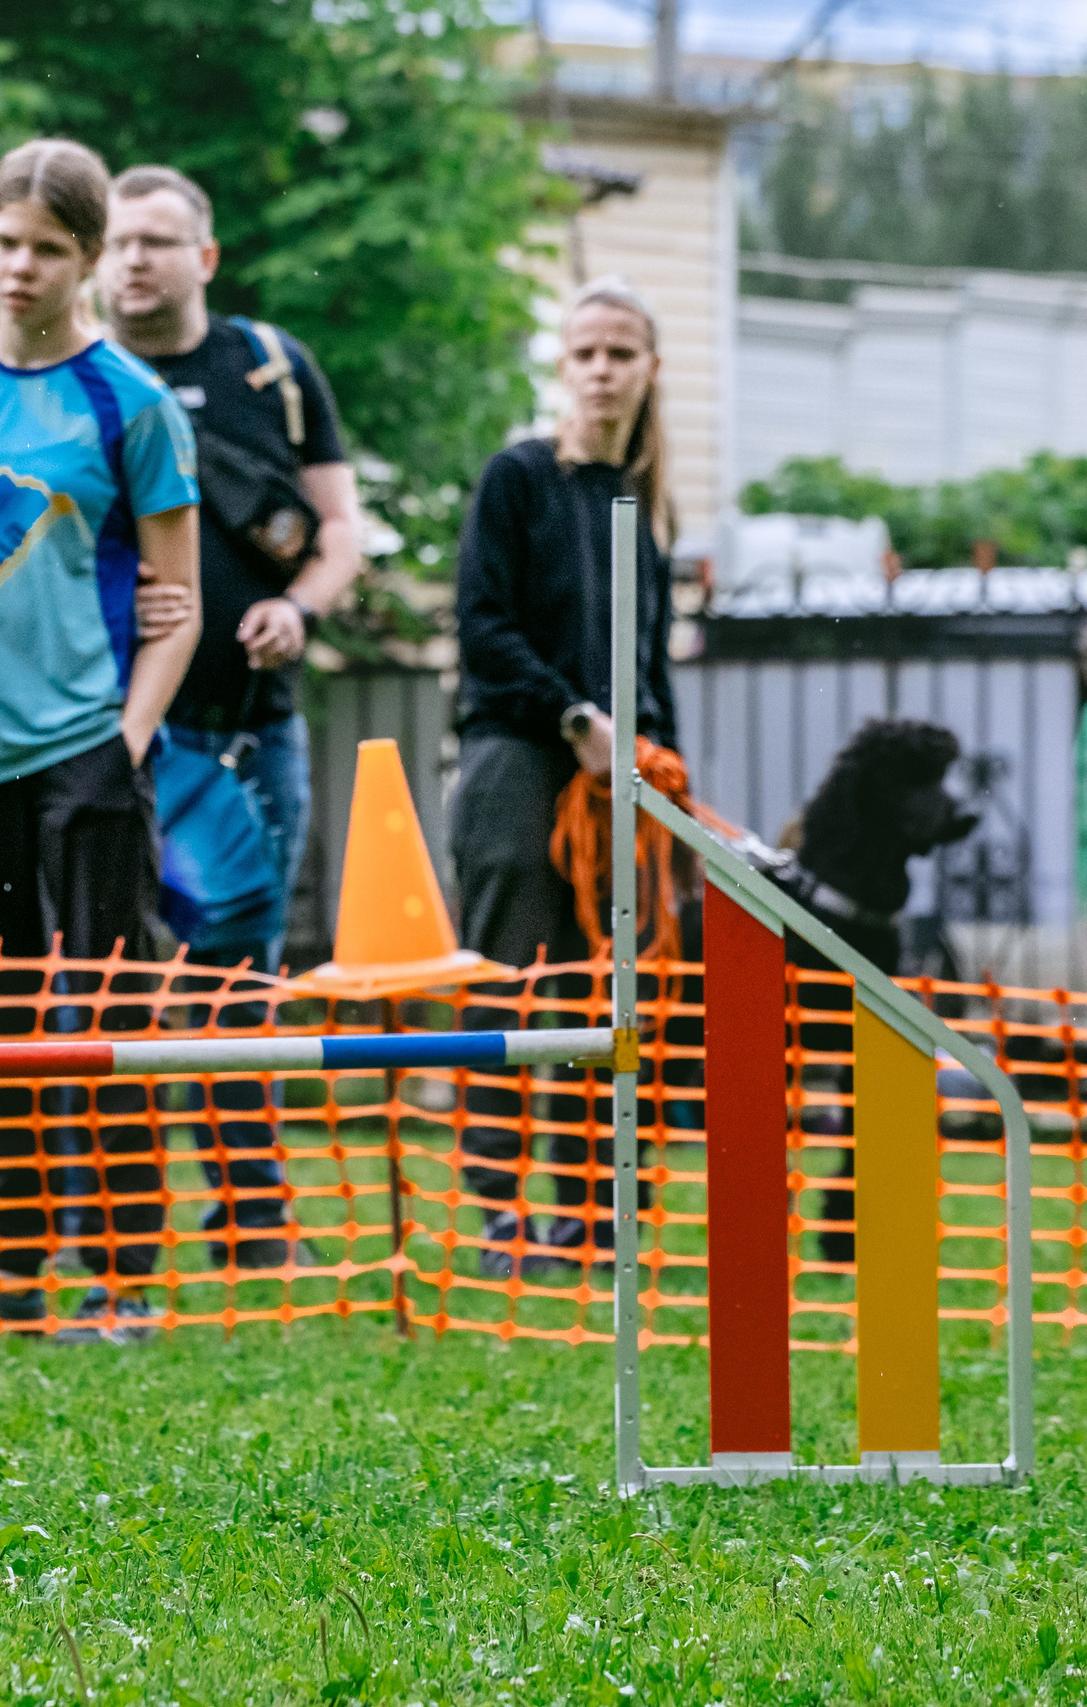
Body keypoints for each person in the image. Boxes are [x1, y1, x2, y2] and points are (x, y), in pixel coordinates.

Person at [0, 138, 203, 1337]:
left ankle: (121, 1279)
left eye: (48, 249)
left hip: (88, 743)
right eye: (2, 242)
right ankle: (7, 1268)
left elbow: (179, 604)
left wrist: (124, 738)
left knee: (105, 1011)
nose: (19, 267)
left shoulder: (132, 403)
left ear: (86, 258)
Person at [99, 163, 365, 1275]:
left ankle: (251, 1214)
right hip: (104, 735)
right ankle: (114, 1219)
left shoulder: (271, 368)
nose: (136, 261)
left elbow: (343, 528)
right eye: (119, 243)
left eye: (158, 241)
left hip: (244, 733)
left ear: (202, 258)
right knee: (100, 970)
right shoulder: (79, 374)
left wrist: (296, 609)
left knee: (230, 979)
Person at [448, 274, 677, 1278]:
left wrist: (657, 753)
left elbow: (652, 659)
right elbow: (481, 627)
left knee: (609, 991)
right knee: (513, 987)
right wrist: (574, 717)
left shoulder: (642, 503)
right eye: (584, 353)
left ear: (647, 370)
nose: (600, 370)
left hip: (623, 781)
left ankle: (591, 1213)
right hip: (516, 761)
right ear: (562, 366)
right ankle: (501, 1214)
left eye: (619, 353)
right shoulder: (517, 477)